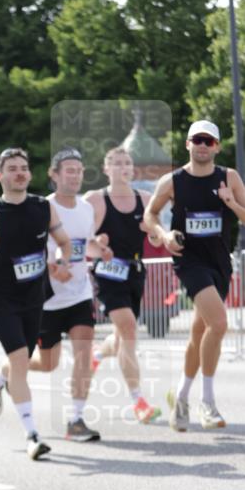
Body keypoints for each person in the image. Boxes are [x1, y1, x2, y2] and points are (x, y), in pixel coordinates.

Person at [144, 120, 245, 430]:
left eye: (209, 141)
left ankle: (181, 396)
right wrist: (164, 233)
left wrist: (230, 202)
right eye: (197, 139)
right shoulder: (172, 181)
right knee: (219, 323)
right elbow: (149, 216)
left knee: (199, 334)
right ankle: (208, 403)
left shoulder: (229, 177)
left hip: (219, 262)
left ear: (216, 146)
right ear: (187, 143)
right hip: (188, 261)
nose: (203, 145)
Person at [0, 147, 72, 455]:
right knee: (20, 361)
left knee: (21, 361)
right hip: (1, 300)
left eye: (23, 167)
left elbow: (64, 243)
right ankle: (32, 434)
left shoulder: (43, 207)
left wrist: (62, 261)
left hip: (35, 299)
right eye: (12, 168)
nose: (19, 172)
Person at [28, 148, 111, 441]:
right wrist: (53, 268)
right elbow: (33, 251)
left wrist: (100, 250)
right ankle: (3, 373)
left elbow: (83, 245)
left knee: (84, 353)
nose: (75, 176)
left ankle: (75, 419)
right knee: (47, 363)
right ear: (54, 174)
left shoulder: (86, 208)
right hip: (48, 299)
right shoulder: (42, 207)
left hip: (79, 293)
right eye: (69, 170)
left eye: (79, 170)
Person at [85, 148, 162, 424]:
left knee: (122, 335)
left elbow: (156, 239)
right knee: (128, 328)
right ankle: (138, 401)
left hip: (134, 271)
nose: (123, 167)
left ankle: (97, 353)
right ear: (106, 169)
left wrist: (154, 234)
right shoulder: (95, 200)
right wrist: (98, 242)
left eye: (127, 163)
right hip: (106, 272)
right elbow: (82, 239)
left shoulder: (145, 199)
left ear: (133, 169)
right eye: (116, 163)